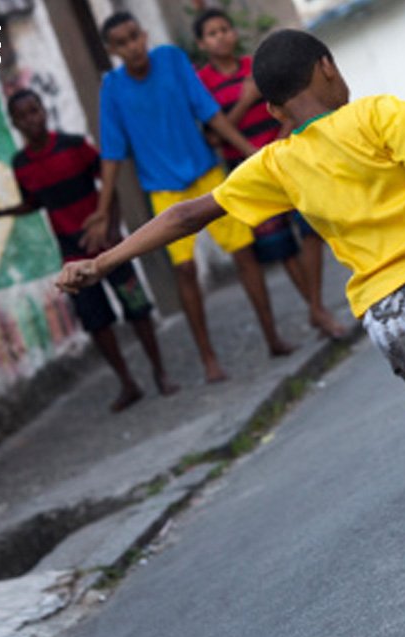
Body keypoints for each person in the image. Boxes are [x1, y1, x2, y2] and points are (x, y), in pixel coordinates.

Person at [57, 29, 405, 637]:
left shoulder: (279, 161)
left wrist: (105, 261)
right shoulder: (378, 113)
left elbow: (185, 214)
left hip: (385, 316)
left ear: (274, 110)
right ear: (329, 69)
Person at [93, 11, 294, 384]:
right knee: (184, 270)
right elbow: (112, 153)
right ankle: (208, 360)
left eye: (135, 36)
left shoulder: (171, 59)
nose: (132, 46)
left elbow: (211, 114)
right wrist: (103, 211)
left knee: (244, 254)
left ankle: (272, 336)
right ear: (111, 50)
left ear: (144, 34)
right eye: (122, 42)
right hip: (162, 188)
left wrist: (250, 151)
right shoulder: (113, 88)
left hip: (207, 172)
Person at [0, 88, 178, 413]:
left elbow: (107, 185)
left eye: (35, 110)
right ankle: (127, 383)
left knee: (137, 307)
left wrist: (112, 229)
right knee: (96, 321)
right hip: (72, 254)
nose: (32, 119)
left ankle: (160, 372)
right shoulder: (21, 165)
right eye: (24, 115)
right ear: (14, 123)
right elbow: (34, 202)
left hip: (108, 247)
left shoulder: (74, 145)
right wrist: (2, 213)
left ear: (44, 111)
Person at [193, 8, 347, 341]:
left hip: (286, 155)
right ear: (202, 43)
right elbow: (214, 136)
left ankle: (317, 304)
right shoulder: (202, 83)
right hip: (247, 169)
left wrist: (279, 141)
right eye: (212, 33)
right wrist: (246, 101)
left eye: (225, 29)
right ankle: (314, 308)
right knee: (279, 244)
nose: (221, 36)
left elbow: (293, 104)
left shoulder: (256, 67)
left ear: (234, 33)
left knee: (310, 229)